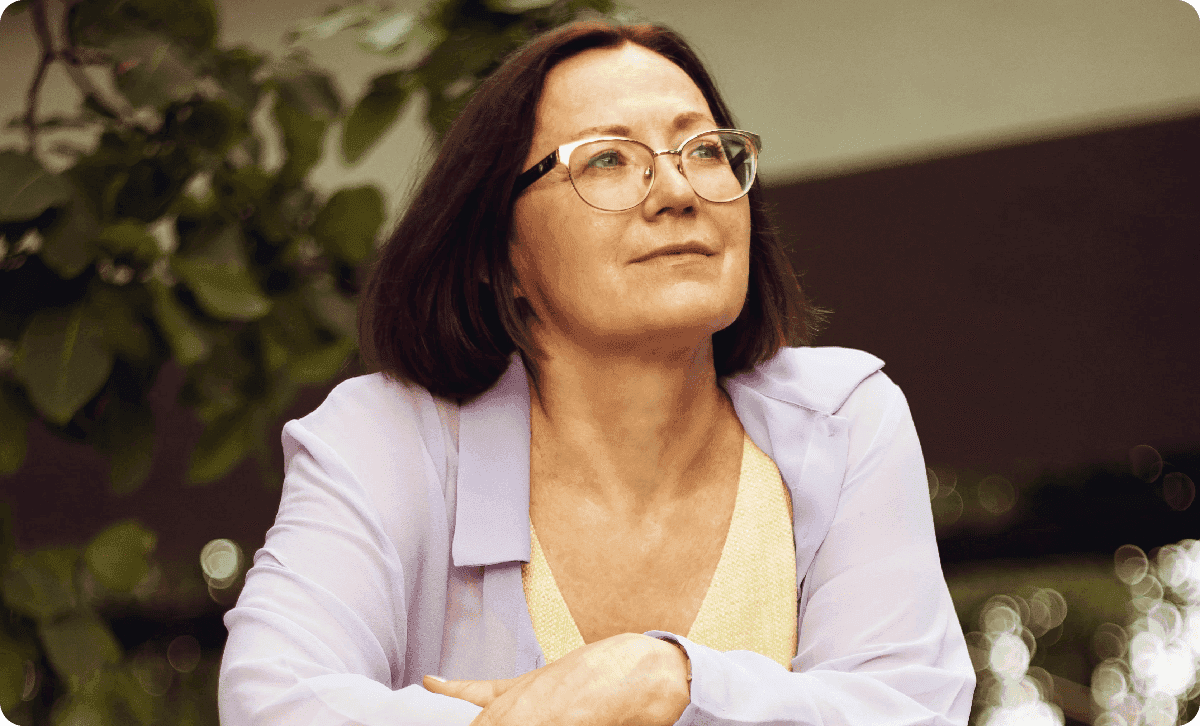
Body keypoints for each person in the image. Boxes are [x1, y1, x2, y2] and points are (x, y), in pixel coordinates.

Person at [218, 19, 975, 726]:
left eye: (705, 149)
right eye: (609, 160)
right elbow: (274, 702)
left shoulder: (845, 419)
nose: (678, 193)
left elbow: (910, 708)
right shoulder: (385, 439)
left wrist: (667, 680)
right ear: (498, 256)